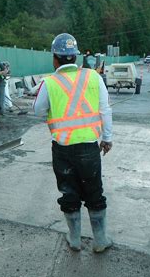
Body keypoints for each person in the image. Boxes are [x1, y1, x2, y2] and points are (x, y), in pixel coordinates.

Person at [33, 33, 113, 253]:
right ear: (75, 57)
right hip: (89, 147)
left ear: (55, 58)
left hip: (62, 150)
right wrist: (107, 138)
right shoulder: (93, 77)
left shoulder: (49, 82)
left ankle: (75, 239)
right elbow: (105, 109)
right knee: (94, 192)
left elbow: (37, 109)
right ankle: (100, 241)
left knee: (69, 192)